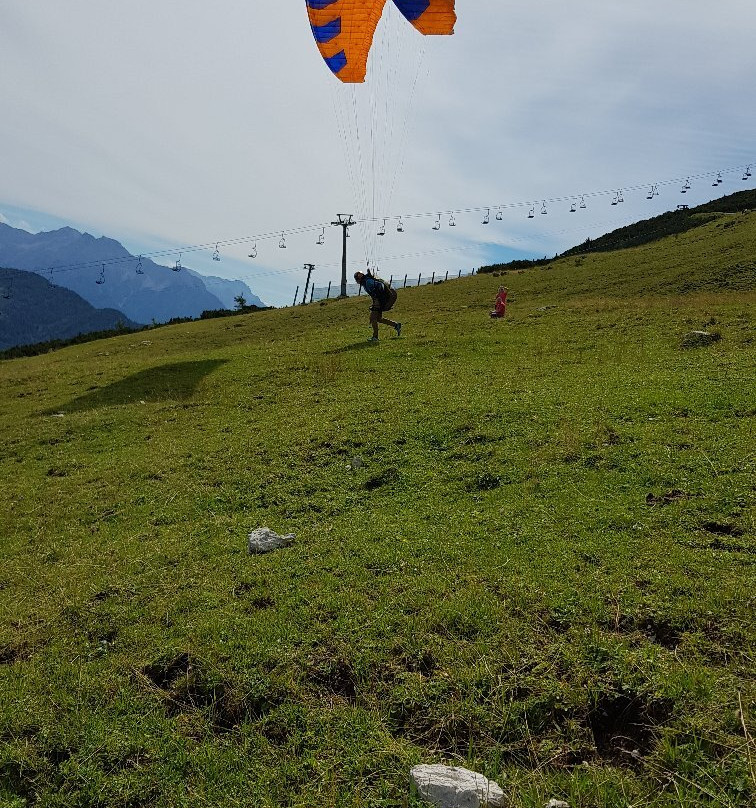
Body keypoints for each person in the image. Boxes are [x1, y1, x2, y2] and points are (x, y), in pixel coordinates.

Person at [354, 270, 401, 341]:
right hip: (386, 296)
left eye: (356, 279)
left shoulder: (368, 282)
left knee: (373, 318)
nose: (356, 281)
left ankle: (375, 337)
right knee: (378, 318)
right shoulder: (366, 282)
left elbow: (380, 287)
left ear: (359, 279)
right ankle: (396, 325)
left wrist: (378, 302)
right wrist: (375, 303)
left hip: (388, 296)